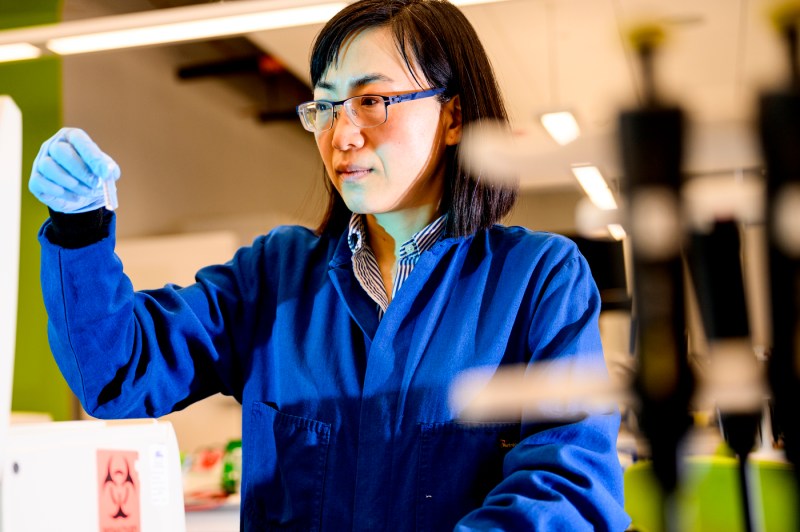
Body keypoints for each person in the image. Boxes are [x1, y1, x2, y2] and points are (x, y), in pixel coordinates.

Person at [29, 0, 630, 530]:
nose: (342, 134)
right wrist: (80, 228)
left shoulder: (538, 281)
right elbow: (119, 373)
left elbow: (570, 487)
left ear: (452, 117)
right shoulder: (274, 276)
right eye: (324, 106)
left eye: (371, 101)